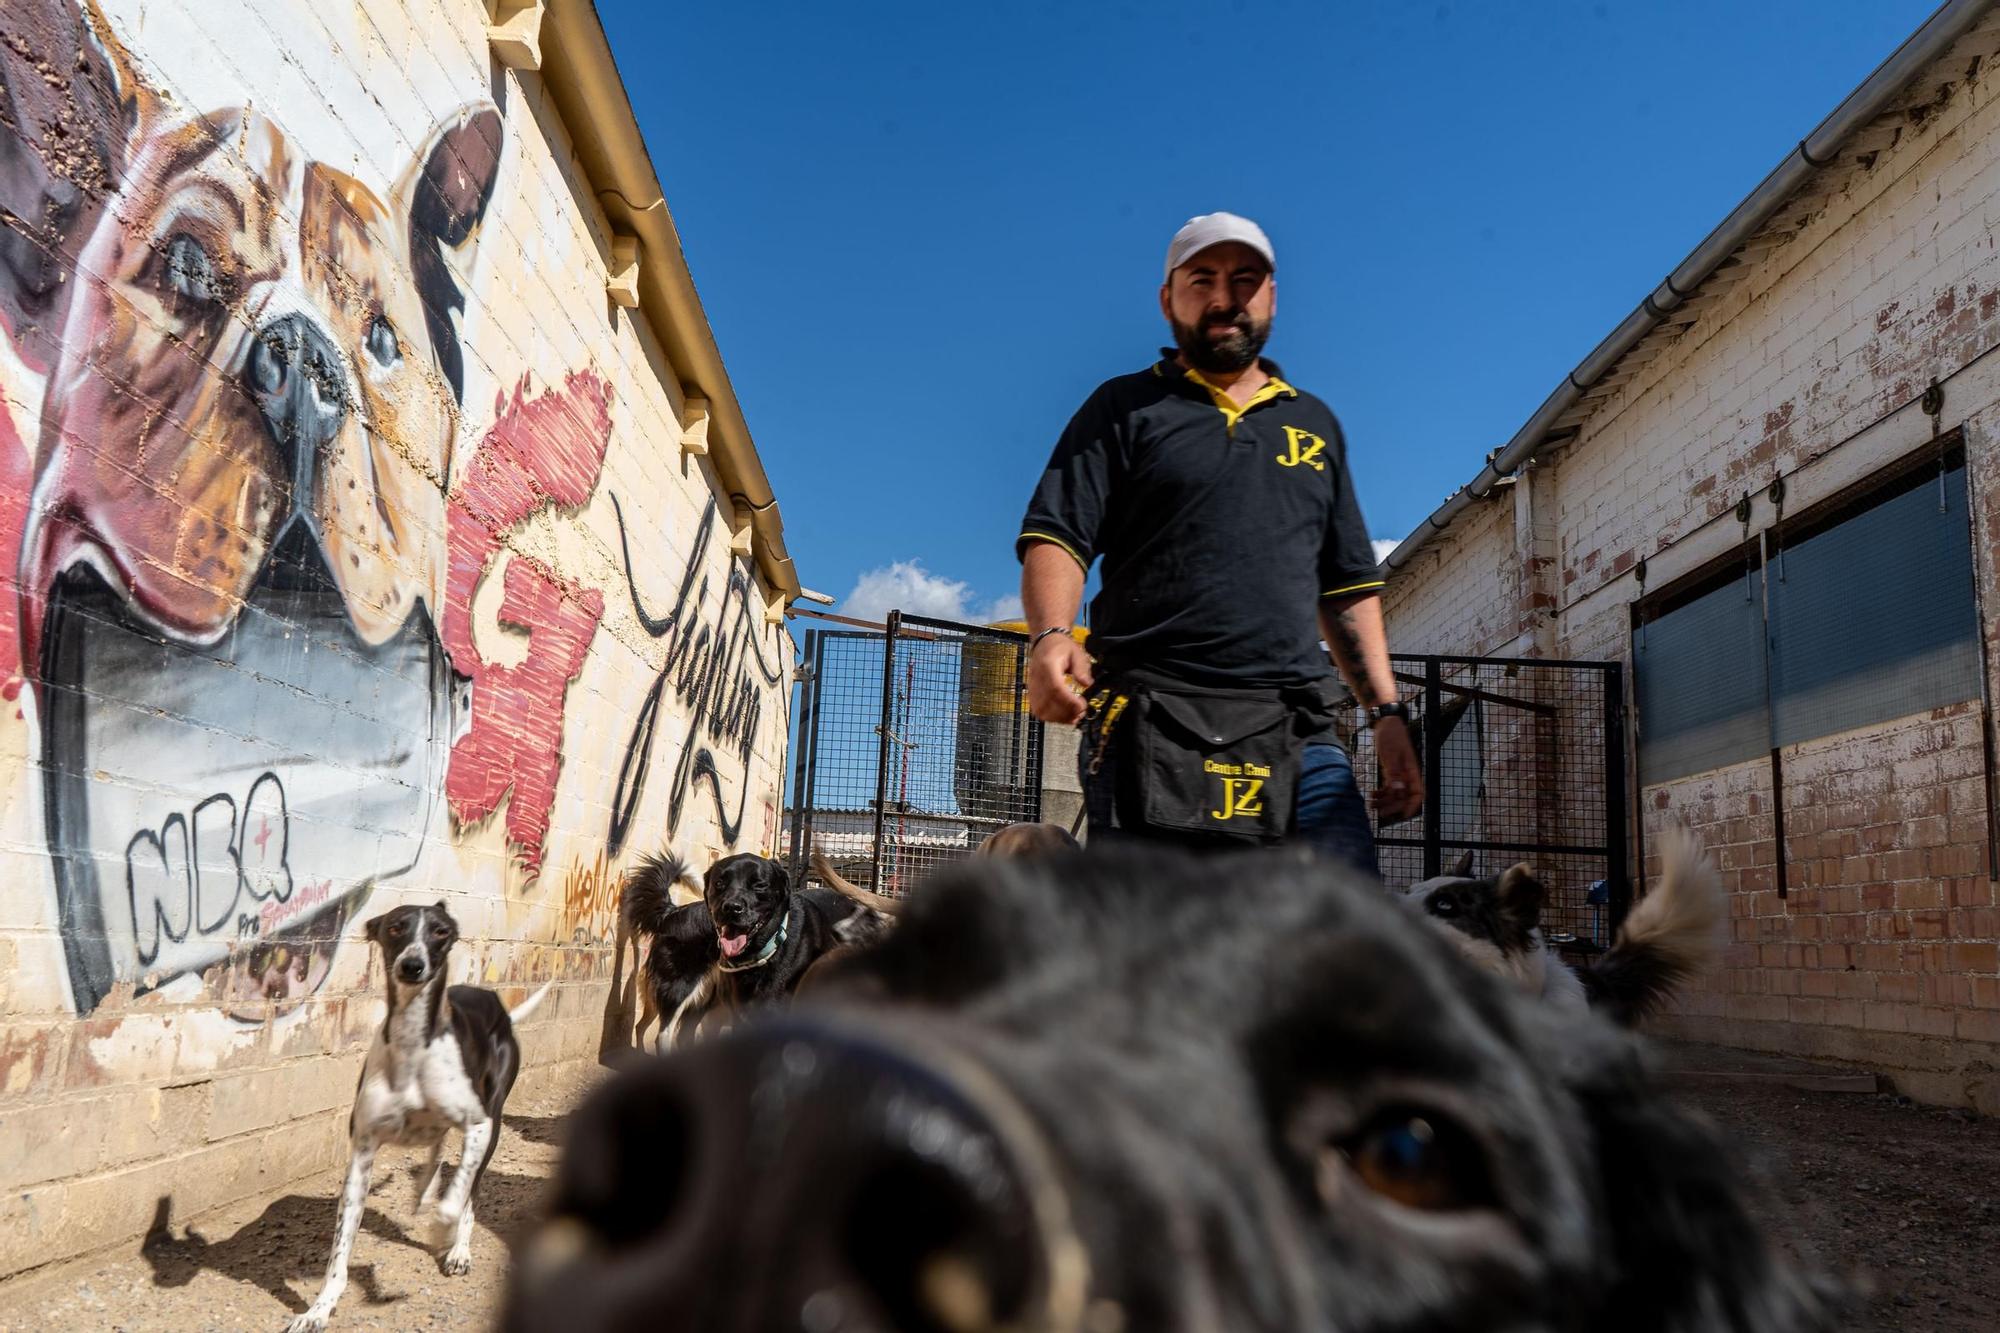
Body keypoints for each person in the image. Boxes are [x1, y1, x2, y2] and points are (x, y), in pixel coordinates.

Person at [1016, 212, 1423, 872]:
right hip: (1149, 719)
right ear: (1167, 298)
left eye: (1245, 279)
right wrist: (1050, 635)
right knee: (1158, 932)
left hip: (1297, 724)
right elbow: (1058, 533)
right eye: (1201, 279)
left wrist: (1386, 714)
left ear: (1271, 296)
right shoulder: (1122, 408)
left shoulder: (1313, 424)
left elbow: (1347, 585)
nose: (1224, 297)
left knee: (1345, 923)